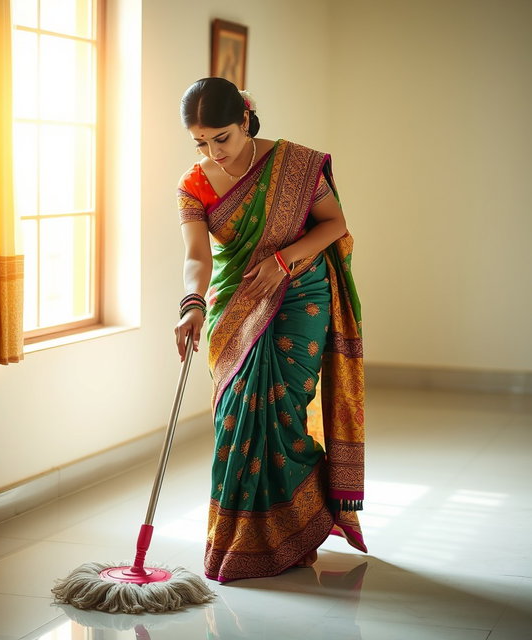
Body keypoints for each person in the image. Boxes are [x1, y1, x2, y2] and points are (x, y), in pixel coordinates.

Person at [175, 77, 366, 582]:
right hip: (235, 303)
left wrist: (284, 261)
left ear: (245, 120)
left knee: (282, 412)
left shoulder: (296, 166)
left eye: (222, 138)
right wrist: (191, 303)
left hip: (301, 290)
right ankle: (240, 542)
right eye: (200, 142)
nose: (213, 152)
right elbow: (196, 255)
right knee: (236, 421)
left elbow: (334, 225)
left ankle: (297, 528)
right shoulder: (194, 183)